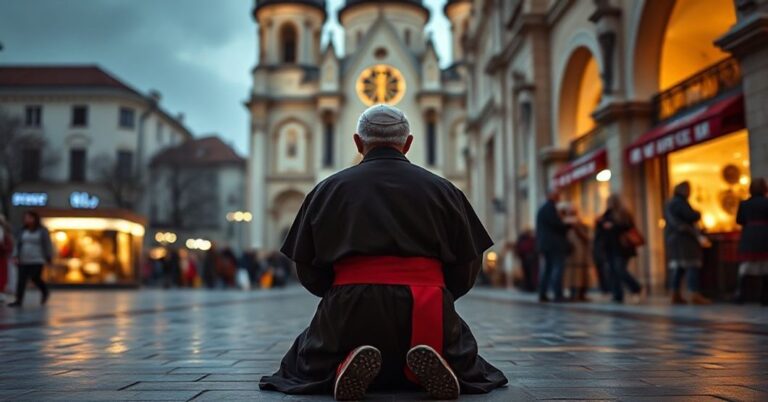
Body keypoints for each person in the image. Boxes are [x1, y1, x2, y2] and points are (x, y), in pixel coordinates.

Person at [259, 105, 507, 400]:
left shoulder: (327, 190)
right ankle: (430, 362)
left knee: (305, 362)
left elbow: (307, 268)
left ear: (358, 142)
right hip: (426, 305)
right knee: (464, 357)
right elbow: (468, 264)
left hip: (349, 309)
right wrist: (441, 293)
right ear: (408, 143)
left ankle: (344, 362)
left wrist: (339, 292)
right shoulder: (445, 190)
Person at [664, 181, 711, 305]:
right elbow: (690, 216)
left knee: (679, 267)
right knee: (692, 265)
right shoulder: (680, 203)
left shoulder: (670, 203)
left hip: (675, 238)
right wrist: (698, 213)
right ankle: (694, 293)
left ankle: (675, 293)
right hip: (684, 238)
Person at [597, 195, 643, 303]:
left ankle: (636, 287)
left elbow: (628, 227)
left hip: (622, 247)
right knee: (612, 271)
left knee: (619, 269)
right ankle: (617, 294)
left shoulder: (624, 214)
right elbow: (601, 230)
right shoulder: (606, 215)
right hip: (610, 247)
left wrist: (613, 226)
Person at [734, 178, 768, 305]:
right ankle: (764, 297)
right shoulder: (766, 202)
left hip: (749, 235)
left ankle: (740, 295)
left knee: (745, 267)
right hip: (765, 235)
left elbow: (739, 220)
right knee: (765, 267)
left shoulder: (744, 204)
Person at [8, 211, 52, 307]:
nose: (27, 220)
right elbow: (18, 244)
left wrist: (48, 256)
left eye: (29, 217)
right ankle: (19, 300)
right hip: (24, 258)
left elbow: (47, 244)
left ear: (35, 219)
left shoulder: (42, 231)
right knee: (21, 280)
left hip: (37, 259)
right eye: (26, 218)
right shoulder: (22, 230)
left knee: (35, 277)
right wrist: (15, 255)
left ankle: (44, 291)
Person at [536, 190, 570, 302]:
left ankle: (543, 293)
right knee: (557, 268)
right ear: (550, 195)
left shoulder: (543, 209)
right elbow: (556, 225)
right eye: (556, 195)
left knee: (548, 269)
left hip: (546, 244)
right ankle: (557, 293)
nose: (559, 197)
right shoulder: (550, 208)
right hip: (554, 244)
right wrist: (568, 225)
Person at [561, 204, 591, 302]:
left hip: (580, 252)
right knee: (571, 273)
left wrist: (577, 228)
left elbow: (587, 237)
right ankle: (572, 292)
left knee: (581, 272)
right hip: (570, 251)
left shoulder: (581, 223)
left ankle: (581, 293)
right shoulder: (563, 223)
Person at [0, 215, 13, 302]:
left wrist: (3, 248)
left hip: (1, 257)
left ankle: (1, 292)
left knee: (2, 275)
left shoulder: (4, 232)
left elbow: (9, 246)